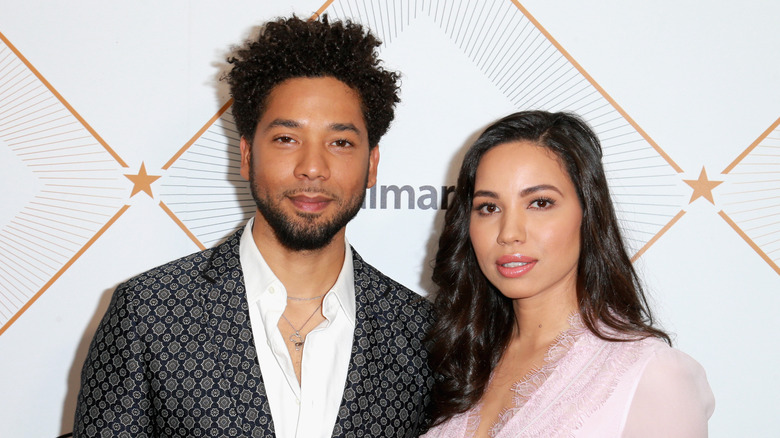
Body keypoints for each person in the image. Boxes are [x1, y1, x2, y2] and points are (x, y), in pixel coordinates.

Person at [74, 15, 433, 438]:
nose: (312, 168)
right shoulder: (147, 314)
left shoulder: (421, 334)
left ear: (371, 164)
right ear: (246, 155)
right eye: (286, 139)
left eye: (340, 142)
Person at [421, 111, 714, 437]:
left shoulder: (650, 375)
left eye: (540, 202)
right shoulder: (461, 362)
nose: (509, 232)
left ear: (587, 213)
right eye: (489, 207)